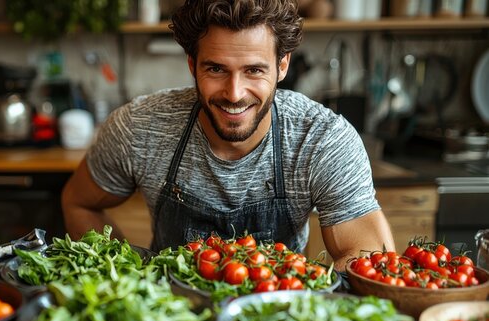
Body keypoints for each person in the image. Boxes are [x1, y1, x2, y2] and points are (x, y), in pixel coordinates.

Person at [61, 0, 394, 270]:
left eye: (254, 70)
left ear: (282, 66)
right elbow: (78, 202)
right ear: (192, 64)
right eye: (216, 69)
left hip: (278, 318)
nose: (234, 93)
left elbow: (367, 254)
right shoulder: (140, 126)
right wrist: (127, 275)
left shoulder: (321, 138)